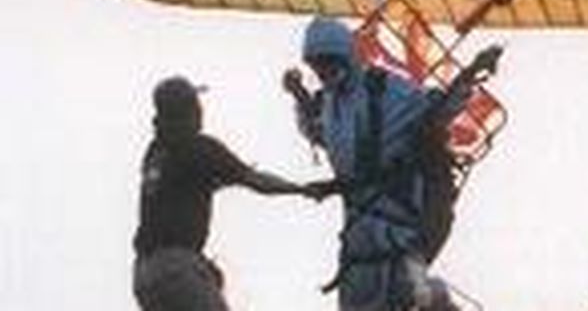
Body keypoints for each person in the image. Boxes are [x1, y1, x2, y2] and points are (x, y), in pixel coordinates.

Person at [284, 16, 502, 311]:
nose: (323, 71)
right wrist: (299, 97)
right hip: (359, 236)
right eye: (317, 66)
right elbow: (319, 131)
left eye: (327, 61)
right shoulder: (331, 105)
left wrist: (470, 75)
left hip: (400, 225)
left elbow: (434, 112)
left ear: (344, 55)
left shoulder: (385, 90)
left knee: (414, 295)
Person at [132, 75, 319, 311]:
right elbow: (257, 182)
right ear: (189, 110)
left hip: (145, 275)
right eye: (196, 104)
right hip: (176, 269)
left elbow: (183, 188)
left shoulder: (157, 151)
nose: (201, 110)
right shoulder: (199, 147)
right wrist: (302, 189)